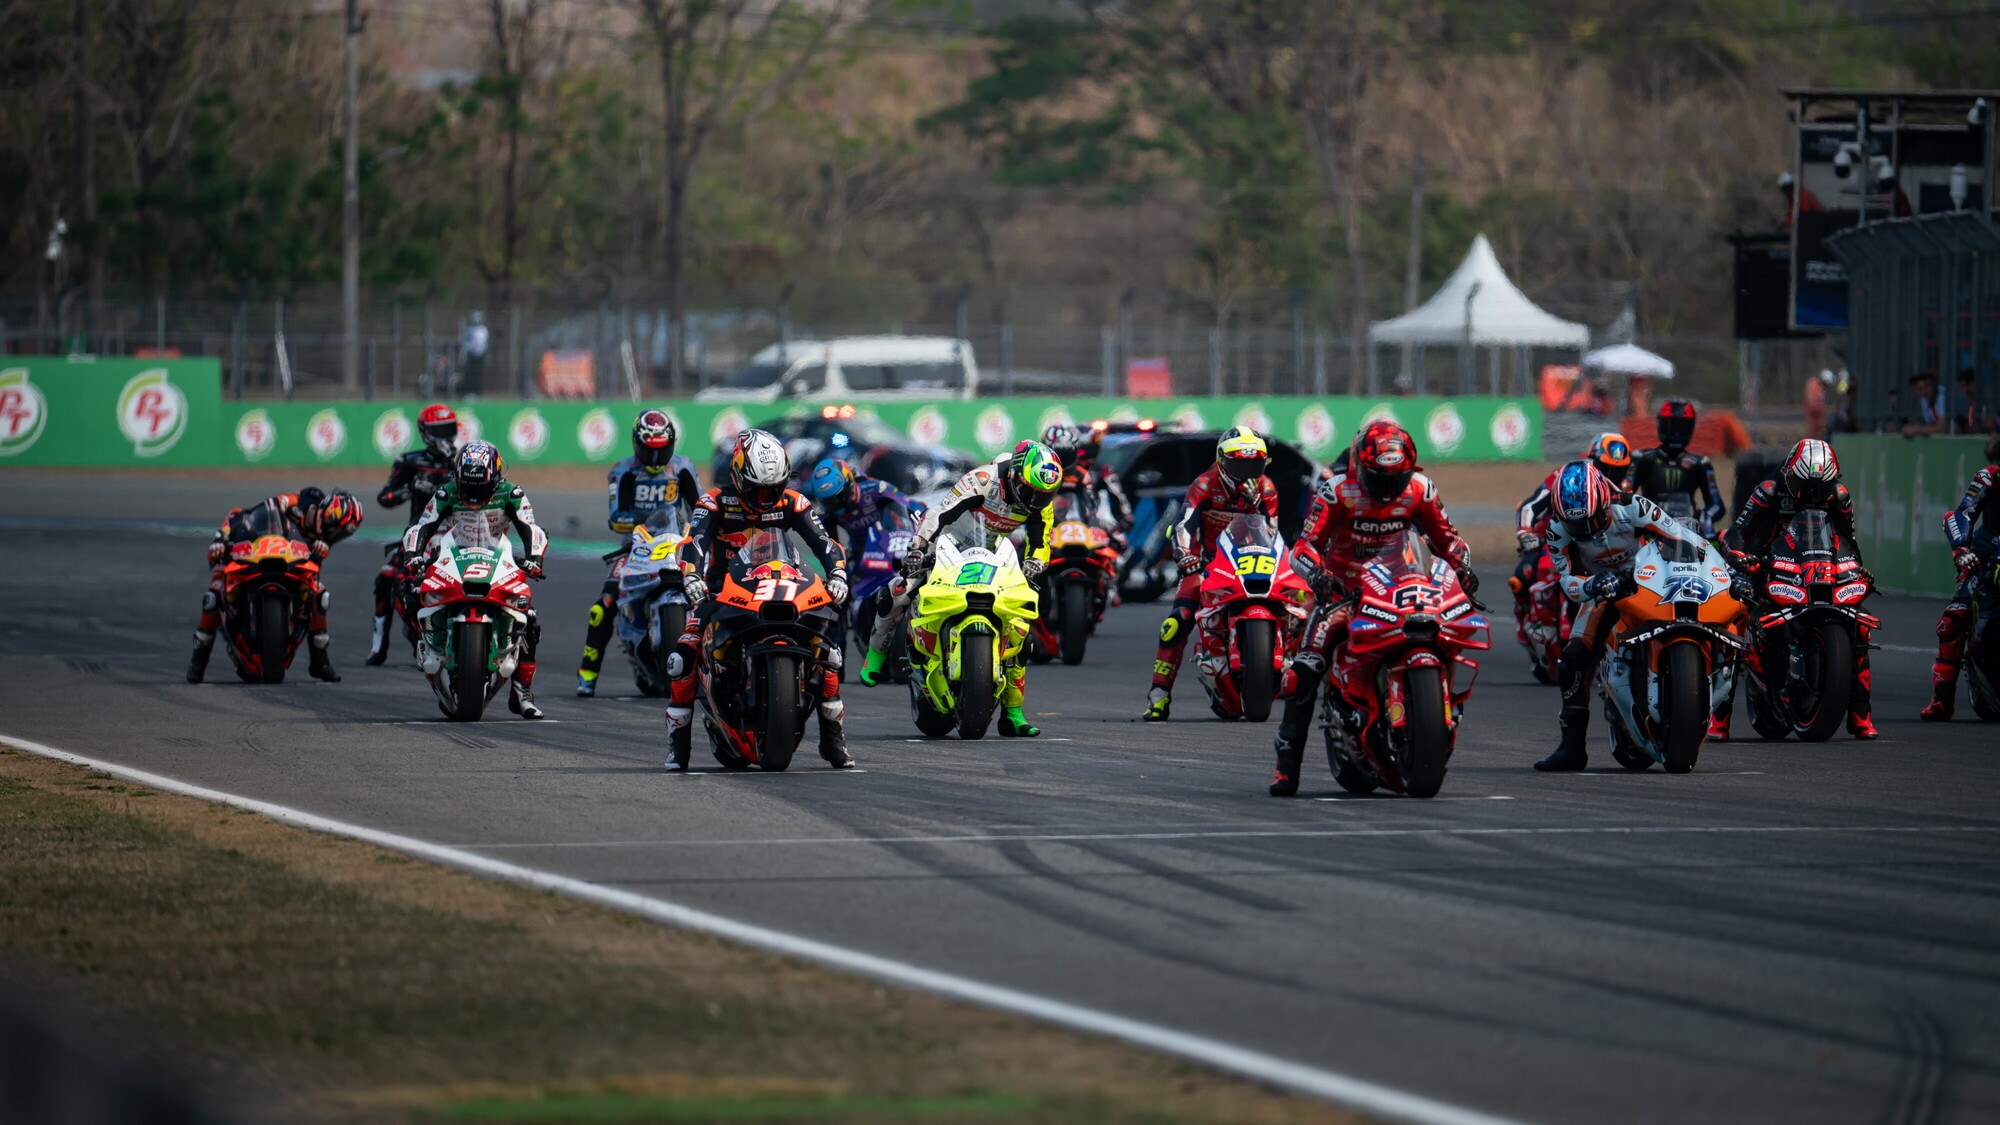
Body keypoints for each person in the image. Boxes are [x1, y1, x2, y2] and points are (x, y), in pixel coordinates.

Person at [1269, 421, 1476, 794]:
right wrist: (1317, 575)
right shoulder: (1337, 492)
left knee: (1447, 633)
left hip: (1405, 586)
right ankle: (1286, 767)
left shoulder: (1421, 489)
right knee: (1305, 668)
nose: (1388, 489)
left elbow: (1449, 541)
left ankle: (1438, 713)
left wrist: (1462, 567)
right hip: (1344, 593)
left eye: (1397, 479)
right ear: (1360, 467)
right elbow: (1304, 546)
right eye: (1380, 479)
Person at [667, 429, 852, 770]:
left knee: (829, 653)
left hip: (783, 585)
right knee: (682, 655)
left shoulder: (794, 502)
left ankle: (833, 739)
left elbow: (825, 543)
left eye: (774, 488)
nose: (766, 497)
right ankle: (677, 745)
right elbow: (694, 542)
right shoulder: (714, 502)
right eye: (758, 489)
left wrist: (837, 574)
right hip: (723, 591)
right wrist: (691, 576)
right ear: (737, 476)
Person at [859, 440, 1063, 738]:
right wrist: (918, 547)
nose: (1036, 499)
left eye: (1044, 494)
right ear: (1015, 476)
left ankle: (1012, 713)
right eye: (1031, 491)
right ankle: (876, 655)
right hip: (948, 542)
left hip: (994, 553)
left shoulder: (1041, 504)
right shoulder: (983, 480)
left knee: (1021, 626)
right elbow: (940, 512)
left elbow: (1041, 543)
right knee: (898, 590)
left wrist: (1035, 564)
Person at [1534, 462, 1720, 770]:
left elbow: (1682, 538)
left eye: (1592, 520)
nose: (1586, 530)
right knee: (1571, 661)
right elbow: (1567, 581)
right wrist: (1593, 584)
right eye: (1576, 525)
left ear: (1604, 503)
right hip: (1604, 590)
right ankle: (1571, 748)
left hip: (1652, 581)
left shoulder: (1634, 506)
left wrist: (1713, 568)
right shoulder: (1557, 529)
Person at [1721, 438, 1875, 740]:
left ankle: (1861, 714)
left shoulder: (1839, 495)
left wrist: (1855, 569)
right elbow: (1737, 531)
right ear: (1789, 473)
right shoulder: (1769, 489)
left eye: (1820, 488)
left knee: (1860, 624)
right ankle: (1719, 716)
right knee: (1736, 617)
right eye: (1803, 486)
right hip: (1766, 562)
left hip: (1816, 566)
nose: (1810, 495)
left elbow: (1849, 542)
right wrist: (1740, 556)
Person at [1141, 427, 1280, 722]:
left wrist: (1256, 507)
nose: (1246, 473)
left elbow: (1274, 534)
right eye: (1239, 465)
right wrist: (1185, 555)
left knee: (1297, 604)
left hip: (1253, 563)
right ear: (1221, 461)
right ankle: (1159, 695)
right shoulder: (1204, 484)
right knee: (1177, 621)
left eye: (1254, 465)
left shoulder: (1266, 488)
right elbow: (1183, 523)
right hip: (1207, 564)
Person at [403, 441, 549, 719]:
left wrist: (535, 558)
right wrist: (413, 553)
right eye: (467, 486)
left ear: (494, 479)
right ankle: (427, 645)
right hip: (452, 557)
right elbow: (422, 526)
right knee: (411, 594)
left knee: (528, 617)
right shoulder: (446, 492)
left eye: (479, 488)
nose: (472, 494)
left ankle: (522, 693)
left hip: (498, 559)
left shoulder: (512, 493)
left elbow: (531, 528)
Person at [576, 410, 702, 697]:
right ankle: (587, 675)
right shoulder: (622, 471)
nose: (656, 459)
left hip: (676, 543)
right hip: (636, 548)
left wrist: (699, 532)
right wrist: (637, 523)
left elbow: (700, 508)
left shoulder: (683, 467)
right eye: (649, 450)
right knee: (603, 607)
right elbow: (616, 516)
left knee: (715, 592)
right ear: (637, 444)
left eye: (662, 450)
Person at [187, 488, 364, 685]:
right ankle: (198, 660)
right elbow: (258, 511)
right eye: (334, 528)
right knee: (213, 596)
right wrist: (220, 540)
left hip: (291, 565)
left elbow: (314, 568)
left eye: (340, 533)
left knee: (321, 596)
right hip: (253, 550)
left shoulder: (321, 541)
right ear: (326, 513)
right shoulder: (304, 500)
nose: (334, 535)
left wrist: (317, 552)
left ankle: (320, 662)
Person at [1509, 433, 1633, 641]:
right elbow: (1530, 505)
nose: (1611, 475)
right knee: (1522, 576)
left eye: (1618, 470)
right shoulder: (1569, 476)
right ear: (1593, 460)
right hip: (1553, 538)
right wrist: (1526, 533)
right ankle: (1526, 622)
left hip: (1598, 541)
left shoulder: (1626, 486)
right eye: (1605, 467)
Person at [367, 404, 460, 665]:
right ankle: (378, 646)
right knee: (387, 575)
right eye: (439, 430)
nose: (445, 435)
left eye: (449, 428)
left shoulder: (463, 461)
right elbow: (385, 498)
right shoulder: (409, 461)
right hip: (419, 534)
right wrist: (411, 487)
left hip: (457, 534)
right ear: (425, 432)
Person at [1921, 434, 2000, 721]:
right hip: (1987, 556)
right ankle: (1942, 700)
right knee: (1952, 620)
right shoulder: (1989, 477)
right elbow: (1960, 515)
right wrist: (1962, 550)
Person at [1631, 399, 1725, 536]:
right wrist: (1636, 515)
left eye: (1682, 427)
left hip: (1686, 532)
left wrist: (1704, 518)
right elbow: (1624, 495)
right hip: (1649, 530)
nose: (1676, 433)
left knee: (1721, 539)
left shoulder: (1700, 464)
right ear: (1661, 425)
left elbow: (1717, 505)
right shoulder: (1642, 458)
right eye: (1672, 426)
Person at [807, 456, 922, 560]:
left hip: (894, 543)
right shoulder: (826, 512)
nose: (835, 505)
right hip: (861, 552)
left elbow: (909, 504)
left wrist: (921, 526)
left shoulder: (875, 489)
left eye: (839, 497)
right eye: (828, 502)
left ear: (849, 484)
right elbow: (826, 547)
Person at [1049, 423, 1133, 532]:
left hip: (1093, 520)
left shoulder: (1103, 471)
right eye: (1080, 451)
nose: (1084, 456)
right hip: (1057, 521)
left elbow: (1119, 495)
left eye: (1090, 450)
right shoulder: (1057, 470)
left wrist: (1126, 516)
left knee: (1119, 539)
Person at [1902, 370, 1947, 438]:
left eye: (1927, 386)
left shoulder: (1942, 396)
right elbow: (1930, 426)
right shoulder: (1924, 400)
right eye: (1920, 389)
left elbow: (1941, 429)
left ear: (1934, 384)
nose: (1923, 392)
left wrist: (1915, 430)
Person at [460, 311, 488, 397]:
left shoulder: (483, 330)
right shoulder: (470, 330)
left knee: (478, 375)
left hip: (480, 356)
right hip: (471, 356)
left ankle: (477, 392)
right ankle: (471, 392)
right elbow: (464, 341)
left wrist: (472, 346)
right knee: (470, 375)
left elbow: (481, 343)